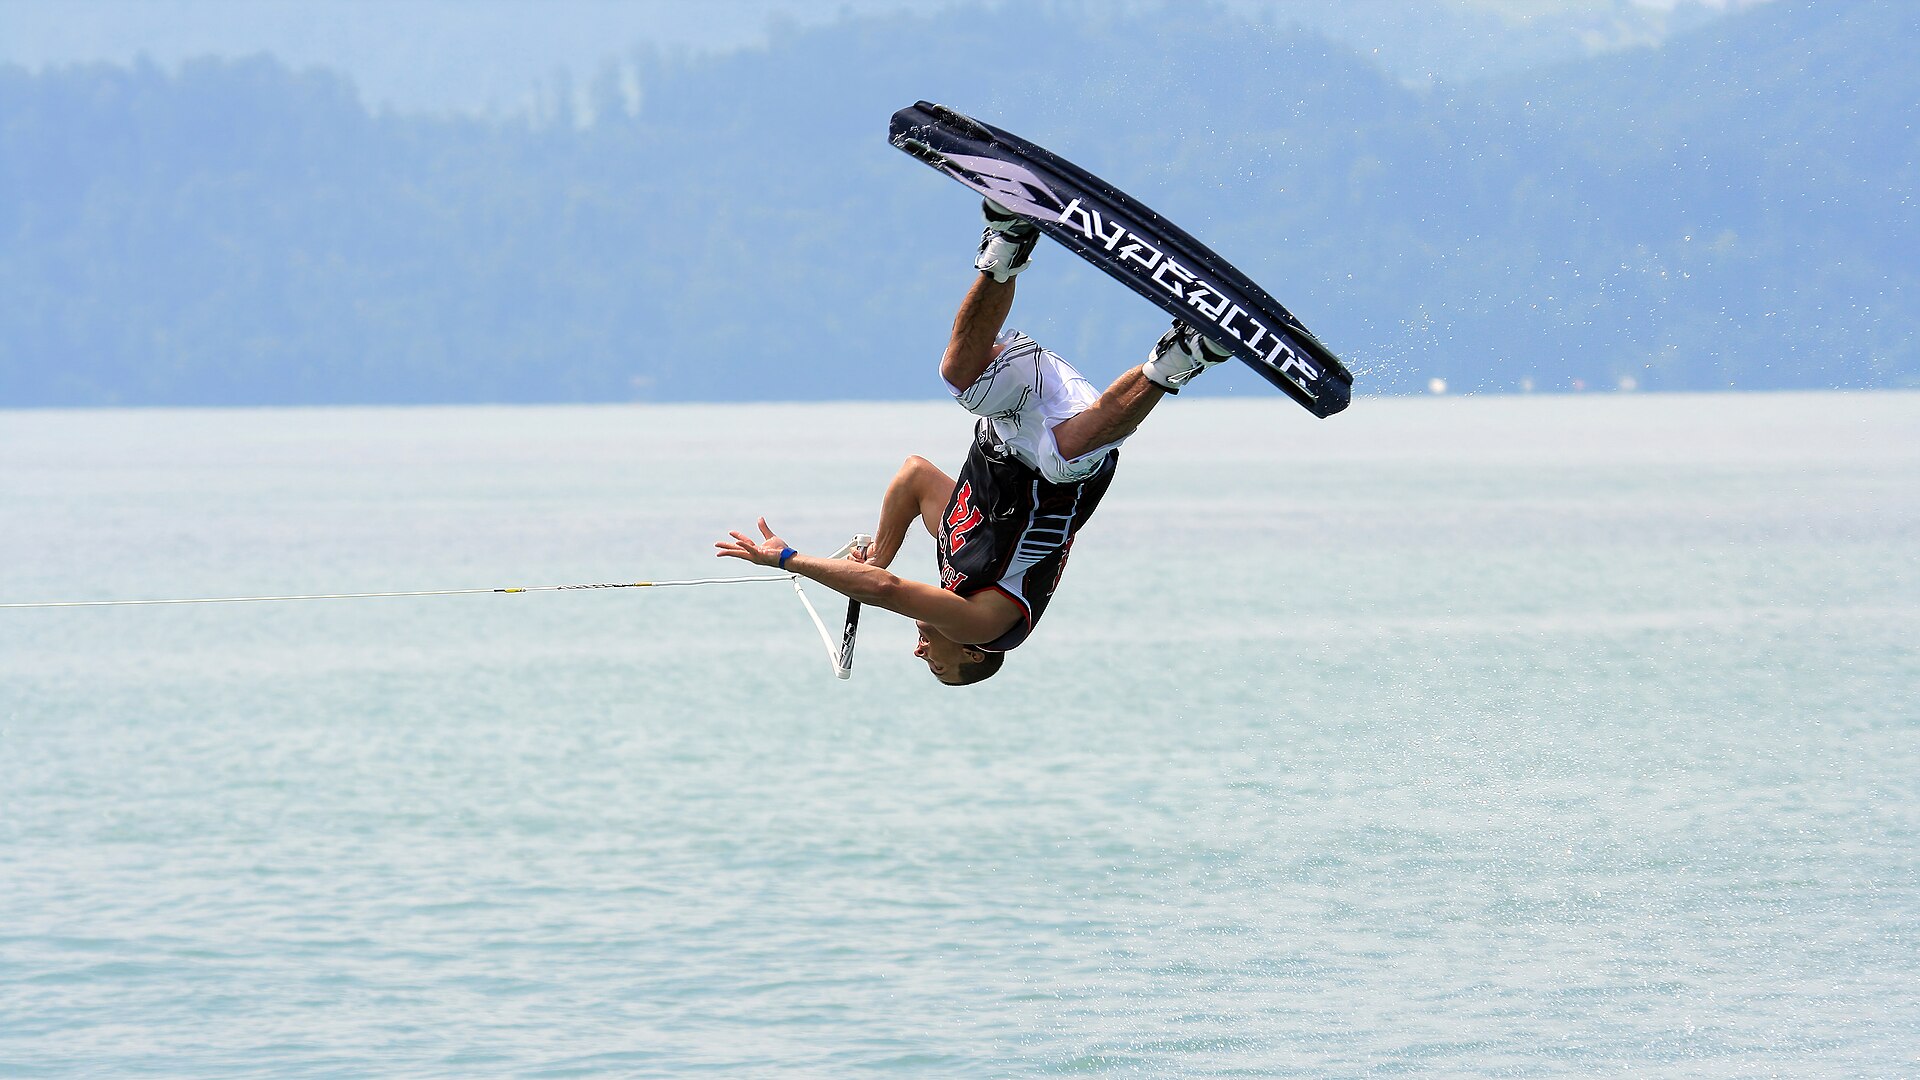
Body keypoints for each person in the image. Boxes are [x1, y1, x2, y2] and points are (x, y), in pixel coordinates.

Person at [716, 200, 1232, 684]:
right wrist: (787, 559)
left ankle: (1007, 245)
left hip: (1014, 417)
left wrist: (881, 552)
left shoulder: (954, 556)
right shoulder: (988, 628)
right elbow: (888, 592)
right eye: (938, 668)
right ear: (971, 654)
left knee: (959, 376)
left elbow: (914, 475)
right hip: (1078, 446)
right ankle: (1186, 352)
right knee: (1059, 459)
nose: (920, 654)